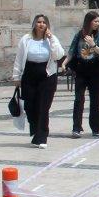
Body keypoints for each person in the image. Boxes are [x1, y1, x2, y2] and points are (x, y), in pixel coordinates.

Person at [12, 14, 65, 148]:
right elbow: (19, 58)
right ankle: (36, 131)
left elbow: (58, 55)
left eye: (44, 22)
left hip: (47, 75)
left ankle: (42, 137)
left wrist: (51, 38)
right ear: (34, 24)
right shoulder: (26, 39)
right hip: (29, 73)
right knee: (30, 106)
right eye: (39, 22)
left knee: (43, 107)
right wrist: (16, 77)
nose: (41, 24)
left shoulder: (51, 39)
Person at [66, 11, 99, 138]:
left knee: (95, 101)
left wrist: (93, 44)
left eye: (98, 21)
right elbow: (71, 51)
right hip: (81, 69)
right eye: (95, 21)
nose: (97, 23)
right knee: (79, 99)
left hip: (95, 69)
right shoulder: (79, 35)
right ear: (89, 21)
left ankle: (96, 128)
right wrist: (64, 63)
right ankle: (76, 127)